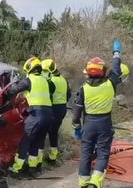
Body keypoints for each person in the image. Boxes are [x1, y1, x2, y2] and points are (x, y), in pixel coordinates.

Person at [72, 38, 122, 188]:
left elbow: (76, 111)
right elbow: (116, 68)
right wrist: (116, 53)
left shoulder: (83, 89)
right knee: (102, 153)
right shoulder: (110, 83)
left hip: (88, 124)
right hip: (105, 123)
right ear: (102, 71)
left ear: (87, 72)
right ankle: (95, 182)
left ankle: (83, 183)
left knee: (86, 154)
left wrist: (76, 128)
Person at [5, 56, 55, 178]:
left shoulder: (29, 80)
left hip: (36, 115)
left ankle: (16, 169)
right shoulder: (45, 81)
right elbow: (52, 89)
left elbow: (11, 91)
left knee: (25, 142)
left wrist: (11, 88)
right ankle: (33, 169)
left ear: (29, 68)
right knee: (37, 142)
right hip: (49, 115)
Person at [41, 59, 71, 163]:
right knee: (54, 132)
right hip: (62, 108)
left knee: (43, 132)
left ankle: (38, 159)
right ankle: (53, 156)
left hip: (53, 108)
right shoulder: (63, 79)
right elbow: (68, 95)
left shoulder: (51, 82)